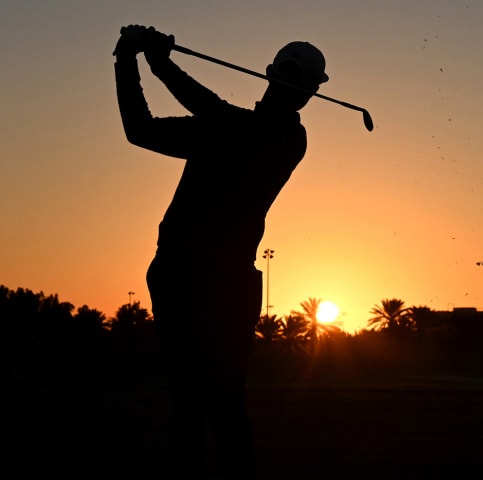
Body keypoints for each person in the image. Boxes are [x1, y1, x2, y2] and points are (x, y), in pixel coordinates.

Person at [113, 25, 328, 478]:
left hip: (226, 281)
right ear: (270, 73)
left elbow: (212, 110)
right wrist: (126, 62)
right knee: (187, 399)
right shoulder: (222, 128)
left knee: (224, 398)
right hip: (176, 271)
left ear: (311, 93)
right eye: (286, 74)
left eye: (299, 81)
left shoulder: (285, 139)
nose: (291, 86)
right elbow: (139, 130)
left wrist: (158, 61)